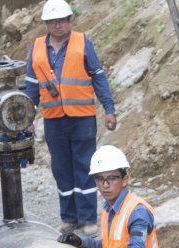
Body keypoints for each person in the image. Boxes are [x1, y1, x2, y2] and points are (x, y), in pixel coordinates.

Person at [25, 0, 117, 235]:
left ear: (69, 21)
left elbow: (98, 77)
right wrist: (27, 119)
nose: (57, 25)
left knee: (84, 166)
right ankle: (69, 218)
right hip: (53, 118)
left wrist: (109, 109)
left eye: (61, 20)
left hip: (82, 117)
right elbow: (31, 87)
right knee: (61, 169)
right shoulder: (36, 48)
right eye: (53, 21)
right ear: (46, 23)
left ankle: (87, 219)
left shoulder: (82, 42)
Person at [56, 145, 173, 248]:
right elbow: (108, 247)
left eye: (112, 178)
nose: (105, 185)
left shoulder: (137, 211)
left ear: (125, 178)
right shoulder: (108, 209)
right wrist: (80, 242)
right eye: (100, 178)